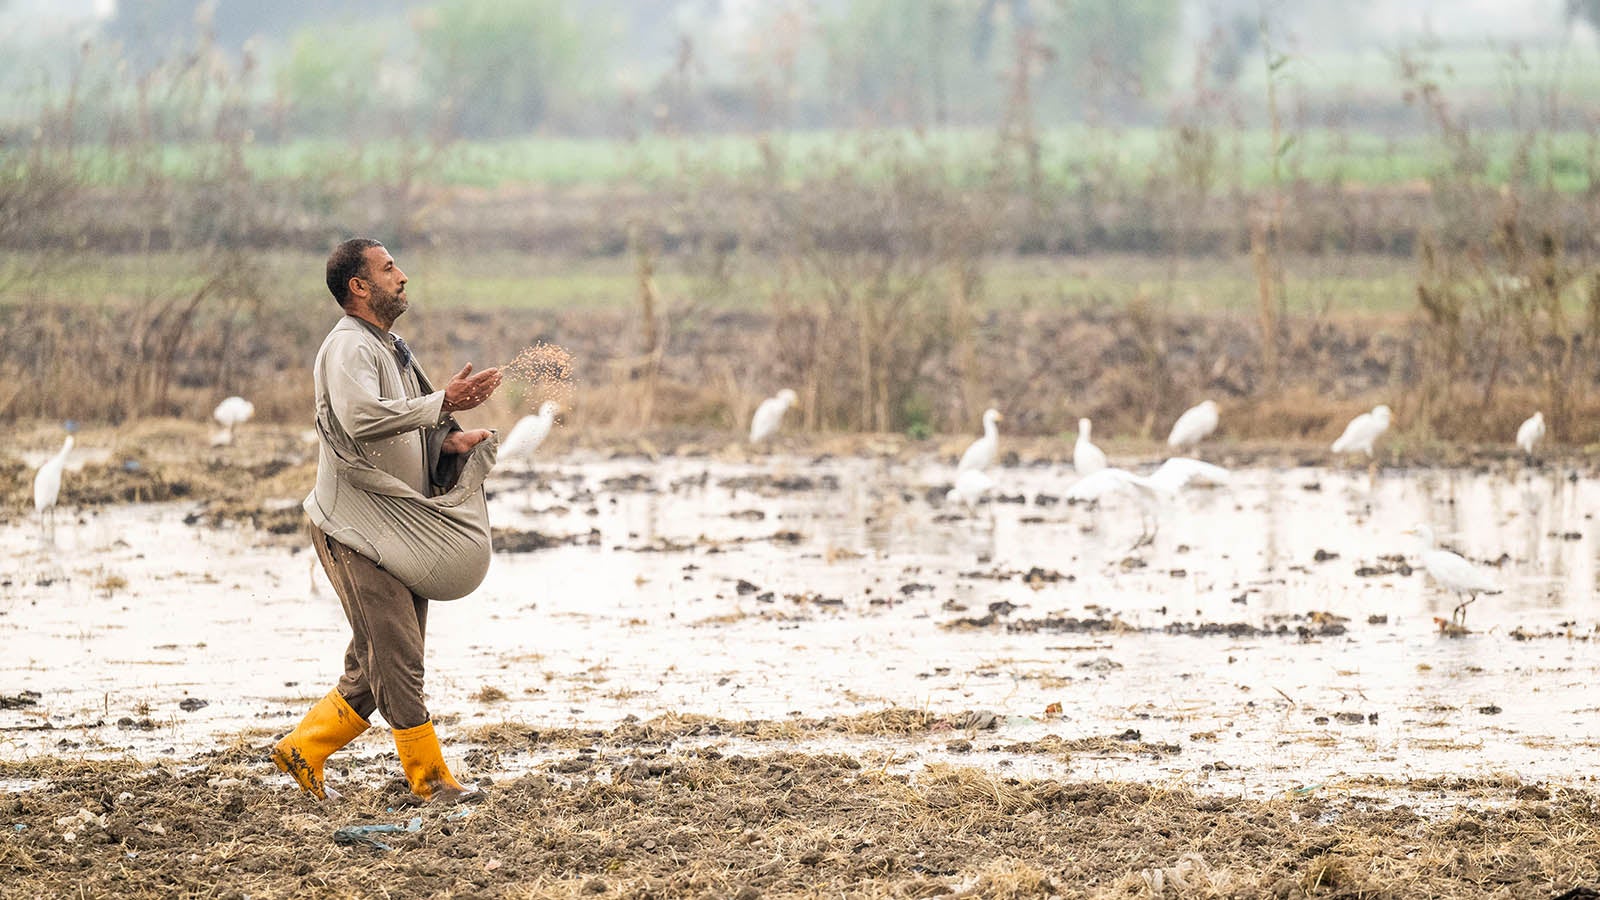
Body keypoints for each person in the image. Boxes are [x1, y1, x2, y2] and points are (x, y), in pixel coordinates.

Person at [272, 237, 501, 802]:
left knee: (377, 660)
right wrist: (443, 401)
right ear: (359, 286)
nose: (403, 276)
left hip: (395, 527)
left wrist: (448, 442)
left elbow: (409, 425)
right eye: (389, 267)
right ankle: (430, 780)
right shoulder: (349, 346)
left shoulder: (390, 346)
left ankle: (303, 747)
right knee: (396, 655)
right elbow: (361, 420)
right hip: (357, 530)